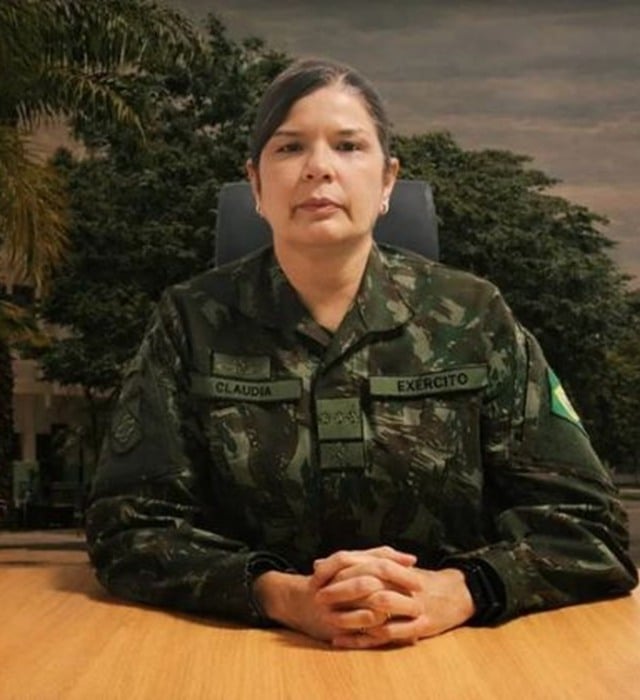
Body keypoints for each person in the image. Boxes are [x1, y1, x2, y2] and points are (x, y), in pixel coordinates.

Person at [85, 58, 638, 649]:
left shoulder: (472, 315)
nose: (319, 168)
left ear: (388, 180)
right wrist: (279, 595)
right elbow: (127, 527)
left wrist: (463, 590)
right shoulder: (192, 321)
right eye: (290, 148)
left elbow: (589, 528)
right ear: (256, 185)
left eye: (348, 146)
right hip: (247, 650)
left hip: (451, 651)